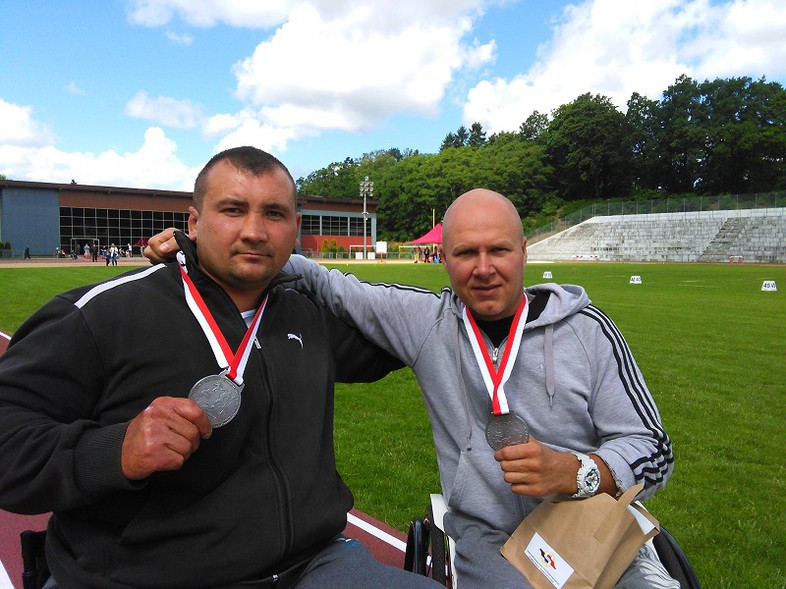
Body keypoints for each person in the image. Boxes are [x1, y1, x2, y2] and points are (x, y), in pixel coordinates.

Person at [147, 188, 677, 588]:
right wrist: (198, 251)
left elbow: (653, 447)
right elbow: (323, 282)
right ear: (443, 259)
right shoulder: (425, 323)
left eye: (500, 250)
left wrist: (579, 471)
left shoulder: (587, 331)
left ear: (524, 252)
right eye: (467, 253)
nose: (485, 268)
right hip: (489, 544)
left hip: (595, 530)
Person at [0, 146, 441, 589]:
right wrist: (115, 452)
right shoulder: (102, 316)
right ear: (193, 222)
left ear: (295, 229)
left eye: (273, 214)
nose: (254, 231)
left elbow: (423, 328)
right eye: (233, 210)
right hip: (144, 577)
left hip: (313, 566)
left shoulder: (310, 317)